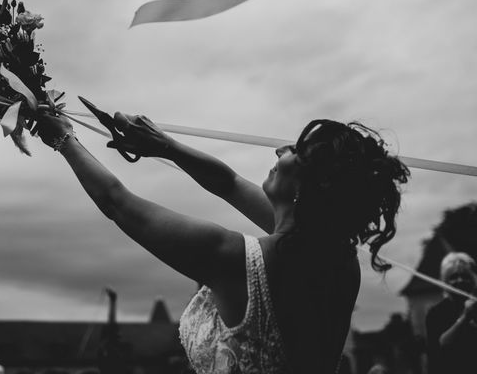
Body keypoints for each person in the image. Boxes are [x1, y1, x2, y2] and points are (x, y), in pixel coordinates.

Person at [36, 112, 410, 374]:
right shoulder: (338, 260)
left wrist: (62, 137)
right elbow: (227, 182)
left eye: (295, 149)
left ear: (308, 186)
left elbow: (119, 203)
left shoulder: (236, 259)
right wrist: (164, 145)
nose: (280, 149)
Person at [425, 252, 477, 374]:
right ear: (445, 282)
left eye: (465, 276)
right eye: (453, 277)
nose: (460, 280)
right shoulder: (436, 313)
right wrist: (465, 317)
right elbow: (442, 344)